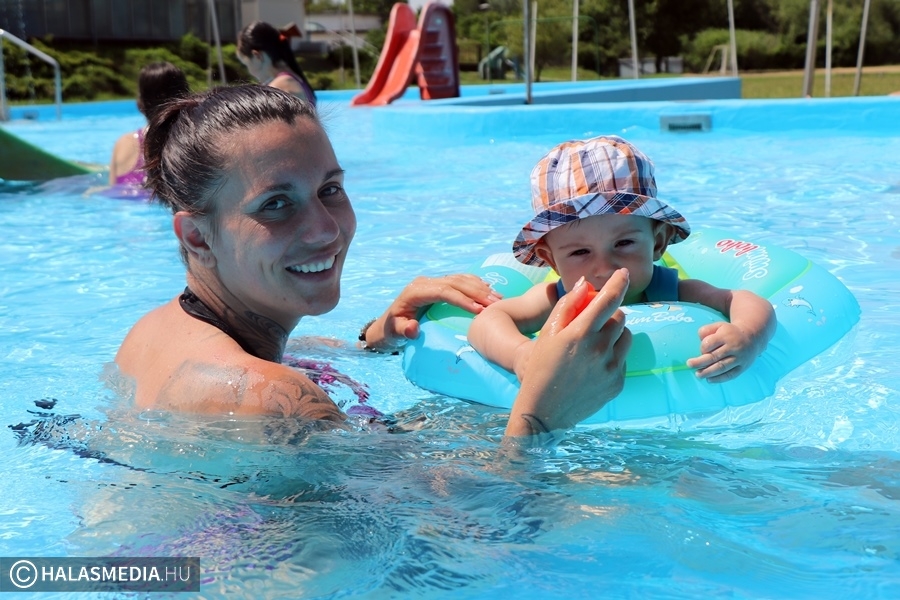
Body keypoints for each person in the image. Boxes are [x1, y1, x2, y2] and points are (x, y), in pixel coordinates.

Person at [114, 85, 632, 443]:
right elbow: (468, 539)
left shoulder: (159, 330)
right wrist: (542, 416)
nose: (326, 229)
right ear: (197, 236)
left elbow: (298, 356)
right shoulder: (270, 399)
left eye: (330, 190)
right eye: (276, 203)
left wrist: (378, 332)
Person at [468, 135, 776, 387]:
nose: (605, 268)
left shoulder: (671, 290)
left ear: (658, 243)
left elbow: (742, 300)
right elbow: (488, 321)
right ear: (552, 260)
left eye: (624, 243)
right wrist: (522, 355)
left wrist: (747, 336)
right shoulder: (555, 300)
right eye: (580, 252)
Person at [108, 62, 190, 188]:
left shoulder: (124, 143)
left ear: (140, 105)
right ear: (188, 102)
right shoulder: (194, 145)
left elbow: (111, 188)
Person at [237, 21, 316, 106]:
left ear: (257, 56)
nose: (249, 71)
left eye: (246, 64)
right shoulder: (294, 79)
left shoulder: (279, 88)